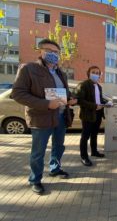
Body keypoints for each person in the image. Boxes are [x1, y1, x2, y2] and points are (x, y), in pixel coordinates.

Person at [11, 39, 77, 195]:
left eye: (56, 52)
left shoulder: (61, 72)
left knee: (58, 146)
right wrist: (46, 104)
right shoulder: (28, 69)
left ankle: (55, 169)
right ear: (40, 51)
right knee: (38, 152)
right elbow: (18, 94)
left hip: (61, 116)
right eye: (49, 51)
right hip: (41, 117)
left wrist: (71, 99)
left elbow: (64, 93)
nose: (53, 54)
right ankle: (35, 180)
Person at [76, 66, 110, 167]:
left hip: (98, 114)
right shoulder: (83, 85)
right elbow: (80, 100)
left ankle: (94, 151)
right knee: (85, 136)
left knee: (94, 134)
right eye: (93, 72)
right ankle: (84, 156)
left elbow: (99, 100)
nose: (95, 74)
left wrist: (107, 102)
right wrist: (95, 106)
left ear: (100, 75)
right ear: (89, 73)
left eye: (97, 73)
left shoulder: (99, 86)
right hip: (88, 114)